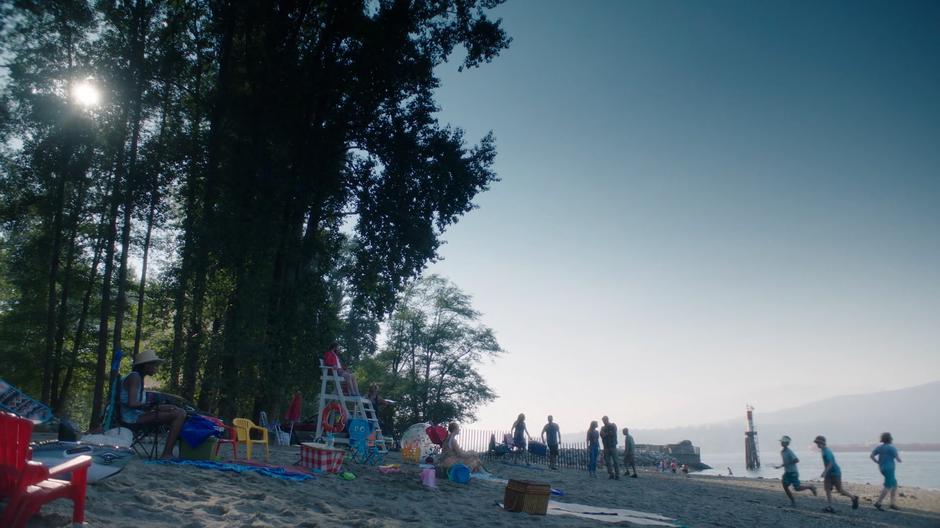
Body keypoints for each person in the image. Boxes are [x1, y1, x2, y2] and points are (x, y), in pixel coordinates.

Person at [120, 350, 186, 459]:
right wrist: (152, 406)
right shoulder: (134, 377)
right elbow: (132, 403)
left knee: (176, 410)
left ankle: (168, 453)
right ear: (146, 365)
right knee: (180, 414)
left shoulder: (137, 378)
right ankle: (167, 454)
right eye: (154, 365)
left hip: (136, 415)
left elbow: (140, 404)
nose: (156, 368)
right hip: (131, 418)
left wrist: (162, 407)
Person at [815, 435, 859, 512]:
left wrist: (824, 472)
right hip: (829, 473)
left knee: (840, 489)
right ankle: (830, 506)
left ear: (822, 443)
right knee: (827, 489)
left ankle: (854, 498)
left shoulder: (827, 451)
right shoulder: (823, 450)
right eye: (816, 443)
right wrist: (826, 472)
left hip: (835, 473)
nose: (817, 444)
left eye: (818, 443)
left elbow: (831, 463)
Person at [773, 435, 816, 506]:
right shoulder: (782, 452)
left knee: (797, 488)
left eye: (783, 442)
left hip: (793, 472)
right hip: (787, 472)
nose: (781, 443)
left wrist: (787, 463)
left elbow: (796, 460)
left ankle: (810, 487)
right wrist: (780, 466)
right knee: (785, 485)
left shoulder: (789, 452)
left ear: (787, 443)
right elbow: (786, 462)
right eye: (781, 442)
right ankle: (793, 501)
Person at [871, 432, 902, 511]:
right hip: (890, 469)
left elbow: (871, 456)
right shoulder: (892, 448)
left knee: (894, 484)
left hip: (882, 468)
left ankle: (892, 503)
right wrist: (900, 460)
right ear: (890, 439)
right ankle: (878, 502)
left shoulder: (879, 447)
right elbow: (898, 459)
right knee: (888, 486)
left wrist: (877, 462)